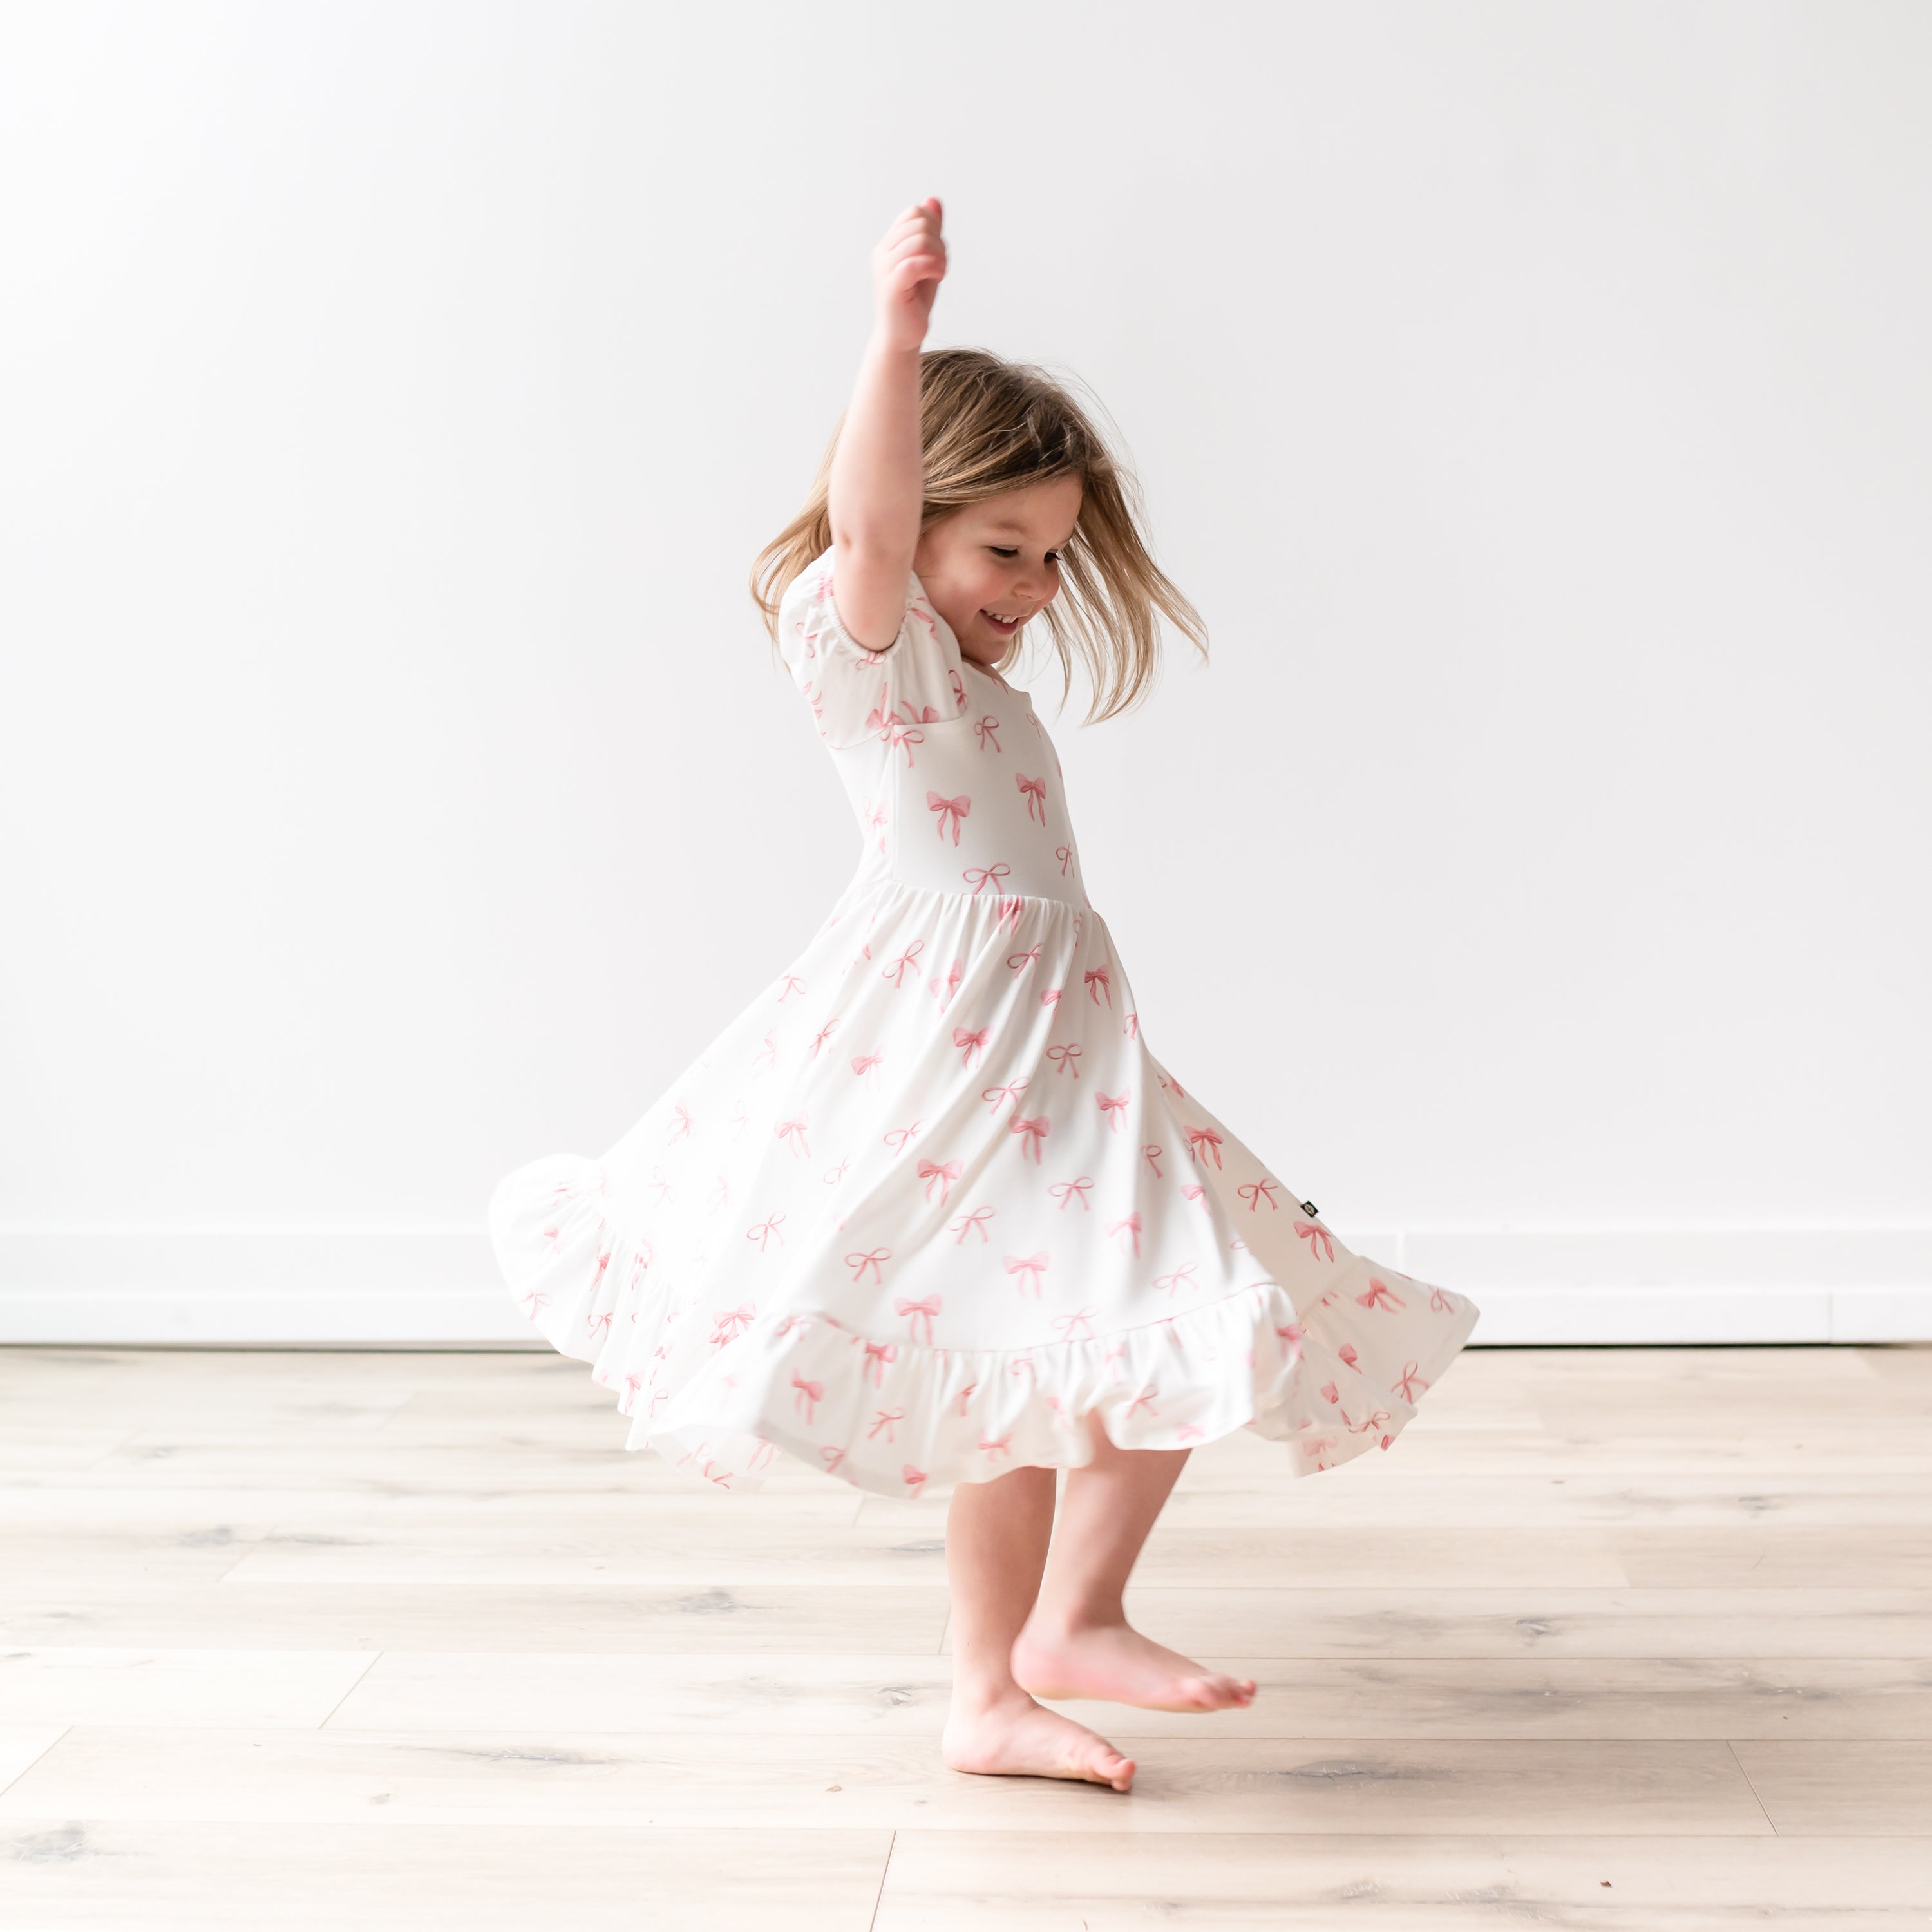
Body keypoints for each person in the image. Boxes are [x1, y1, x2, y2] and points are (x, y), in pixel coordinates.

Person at [488, 196, 1481, 1791]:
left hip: (1070, 1060)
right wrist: (894, 337)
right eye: (1000, 548)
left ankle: (1065, 1627)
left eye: (1053, 554)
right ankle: (995, 1682)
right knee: (1025, 1360)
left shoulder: (987, 691)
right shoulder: (876, 660)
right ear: (921, 524)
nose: (1031, 583)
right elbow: (869, 531)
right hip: (956, 1064)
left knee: (1172, 1315)